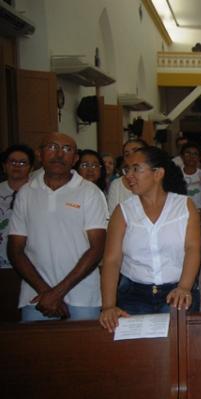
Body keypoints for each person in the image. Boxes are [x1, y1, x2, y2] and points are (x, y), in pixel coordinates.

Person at [99, 147, 201, 332]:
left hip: (177, 291)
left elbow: (193, 249)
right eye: (126, 169)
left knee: (174, 352)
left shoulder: (184, 206)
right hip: (133, 294)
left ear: (158, 173)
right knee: (138, 354)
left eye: (136, 169)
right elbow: (112, 261)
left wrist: (184, 287)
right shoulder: (123, 211)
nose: (129, 175)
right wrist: (108, 306)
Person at [8, 133, 108, 321]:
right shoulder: (26, 193)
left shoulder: (90, 192)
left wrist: (57, 293)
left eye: (67, 149)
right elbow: (15, 249)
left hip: (83, 297)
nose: (60, 154)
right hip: (35, 296)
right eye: (53, 147)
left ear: (75, 158)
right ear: (39, 154)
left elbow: (97, 249)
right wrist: (47, 293)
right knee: (36, 350)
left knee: (84, 350)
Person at [0, 145, 34, 268]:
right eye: (12, 161)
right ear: (4, 166)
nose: (17, 165)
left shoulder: (39, 192)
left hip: (32, 263)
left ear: (31, 167)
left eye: (22, 162)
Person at [107, 138, 148, 214]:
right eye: (127, 154)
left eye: (135, 151)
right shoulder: (116, 185)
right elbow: (112, 216)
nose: (131, 156)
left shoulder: (154, 180)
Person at [180, 142, 201, 225]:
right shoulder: (176, 174)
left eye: (195, 154)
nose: (191, 157)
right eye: (188, 153)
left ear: (199, 157)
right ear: (182, 156)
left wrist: (195, 221)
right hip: (181, 220)